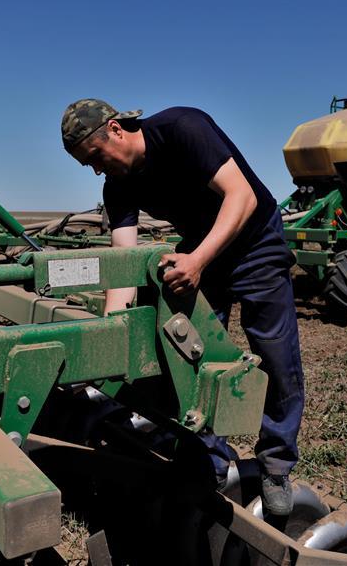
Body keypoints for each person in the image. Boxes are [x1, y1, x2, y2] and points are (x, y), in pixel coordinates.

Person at [61, 99, 304, 515]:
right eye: (88, 165)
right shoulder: (117, 184)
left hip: (254, 240)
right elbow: (122, 264)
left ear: (116, 130)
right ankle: (210, 460)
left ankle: (276, 462)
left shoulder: (182, 127)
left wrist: (198, 261)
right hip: (201, 248)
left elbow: (241, 196)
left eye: (96, 157)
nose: (98, 169)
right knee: (190, 356)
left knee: (275, 356)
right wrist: (112, 331)